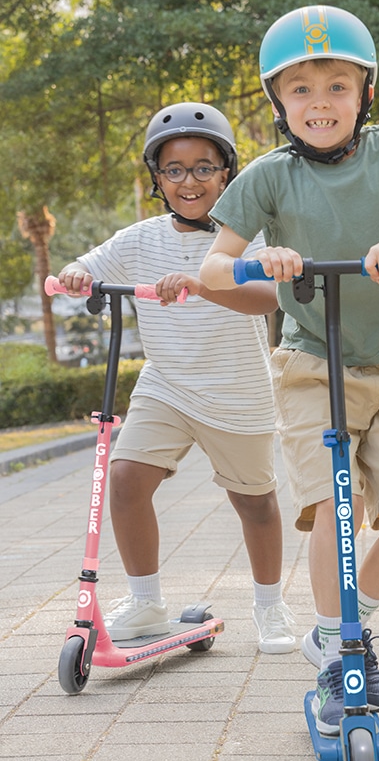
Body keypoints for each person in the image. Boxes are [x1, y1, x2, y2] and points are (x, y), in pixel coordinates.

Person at [199, 5, 379, 733]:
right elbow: (214, 266)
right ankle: (342, 656)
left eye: (336, 86)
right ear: (277, 102)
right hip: (309, 365)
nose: (319, 102)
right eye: (300, 89)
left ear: (365, 95)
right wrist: (262, 257)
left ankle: (335, 636)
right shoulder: (267, 177)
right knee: (338, 507)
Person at [57, 101, 296, 654]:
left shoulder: (246, 237)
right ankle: (146, 602)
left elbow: (267, 299)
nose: (189, 181)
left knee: (255, 502)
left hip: (237, 390)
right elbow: (88, 267)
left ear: (226, 173)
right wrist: (75, 273)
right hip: (167, 385)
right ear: (157, 179)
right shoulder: (141, 239)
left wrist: (202, 281)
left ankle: (270, 605)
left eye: (203, 167)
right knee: (125, 480)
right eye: (175, 170)